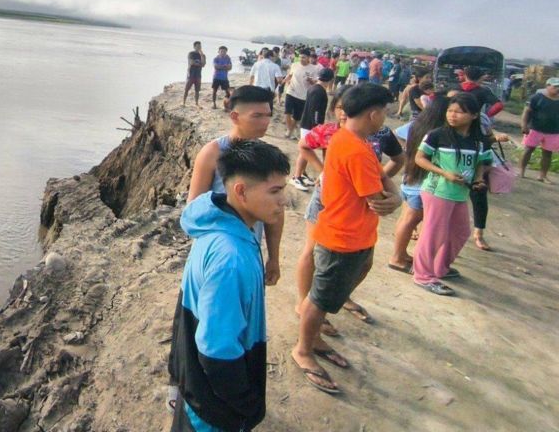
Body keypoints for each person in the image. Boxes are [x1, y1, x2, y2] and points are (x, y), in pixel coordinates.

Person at [168, 140, 290, 432]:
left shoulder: (219, 226)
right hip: (213, 412)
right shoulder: (231, 260)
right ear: (241, 191)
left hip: (196, 388)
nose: (283, 201)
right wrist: (246, 407)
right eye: (275, 191)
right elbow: (217, 351)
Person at [291, 83, 401, 394]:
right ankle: (303, 349)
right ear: (373, 114)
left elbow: (383, 178)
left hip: (355, 234)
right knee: (319, 299)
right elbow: (378, 199)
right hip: (342, 238)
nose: (386, 118)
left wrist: (395, 196)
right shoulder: (354, 149)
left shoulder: (352, 140)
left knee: (329, 293)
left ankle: (313, 338)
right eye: (385, 113)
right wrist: (395, 198)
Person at [188, 86, 283, 286]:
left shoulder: (266, 157)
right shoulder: (212, 153)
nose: (265, 122)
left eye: (268, 115)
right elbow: (194, 210)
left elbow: (275, 211)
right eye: (257, 116)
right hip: (220, 257)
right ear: (234, 116)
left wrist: (274, 257)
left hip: (250, 249)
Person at [411, 93, 492, 296]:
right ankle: (423, 275)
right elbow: (420, 158)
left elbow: (481, 163)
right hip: (438, 190)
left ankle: (440, 267)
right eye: (450, 111)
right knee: (433, 234)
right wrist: (444, 172)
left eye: (459, 112)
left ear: (474, 115)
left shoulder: (479, 140)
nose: (452, 115)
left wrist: (479, 179)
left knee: (461, 232)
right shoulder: (437, 135)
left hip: (460, 193)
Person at [388, 93, 450, 273]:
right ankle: (397, 258)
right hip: (422, 183)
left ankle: (401, 254)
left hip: (410, 178)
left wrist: (407, 151)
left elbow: (396, 134)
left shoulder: (417, 125)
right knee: (410, 220)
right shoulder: (438, 133)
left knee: (405, 219)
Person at [290, 67, 335, 191]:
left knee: (306, 151)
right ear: (330, 79)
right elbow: (315, 111)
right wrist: (317, 127)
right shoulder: (319, 91)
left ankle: (302, 174)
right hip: (310, 125)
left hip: (307, 123)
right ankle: (296, 177)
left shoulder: (314, 88)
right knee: (305, 151)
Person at [520, 77, 559, 183]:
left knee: (548, 153)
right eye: (555, 86)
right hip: (535, 128)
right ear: (547, 86)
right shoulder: (537, 97)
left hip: (553, 131)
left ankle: (543, 176)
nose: (558, 89)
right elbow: (527, 112)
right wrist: (524, 125)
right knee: (528, 150)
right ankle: (522, 171)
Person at [282, 49, 321, 139]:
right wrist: (284, 81)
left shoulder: (314, 68)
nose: (301, 59)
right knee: (287, 112)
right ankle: (289, 130)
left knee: (296, 117)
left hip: (303, 95)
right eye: (300, 57)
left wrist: (310, 80)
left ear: (308, 58)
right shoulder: (294, 65)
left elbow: (315, 82)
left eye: (303, 57)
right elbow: (290, 75)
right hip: (291, 91)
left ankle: (290, 130)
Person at [184, 41, 206, 107]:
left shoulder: (203, 55)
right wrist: (199, 63)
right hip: (191, 74)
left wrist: (201, 55)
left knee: (197, 90)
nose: (199, 47)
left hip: (198, 75)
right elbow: (192, 62)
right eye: (197, 46)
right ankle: (184, 102)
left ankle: (196, 103)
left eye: (200, 46)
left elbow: (203, 64)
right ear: (194, 47)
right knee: (186, 89)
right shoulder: (191, 53)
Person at [211, 45, 233, 110]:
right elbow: (216, 67)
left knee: (227, 92)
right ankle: (214, 103)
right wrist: (225, 67)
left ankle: (227, 105)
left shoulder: (228, 59)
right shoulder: (216, 59)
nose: (223, 53)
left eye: (224, 51)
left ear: (226, 52)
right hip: (216, 77)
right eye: (221, 51)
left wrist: (221, 67)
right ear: (218, 51)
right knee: (214, 91)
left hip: (224, 78)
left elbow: (230, 68)